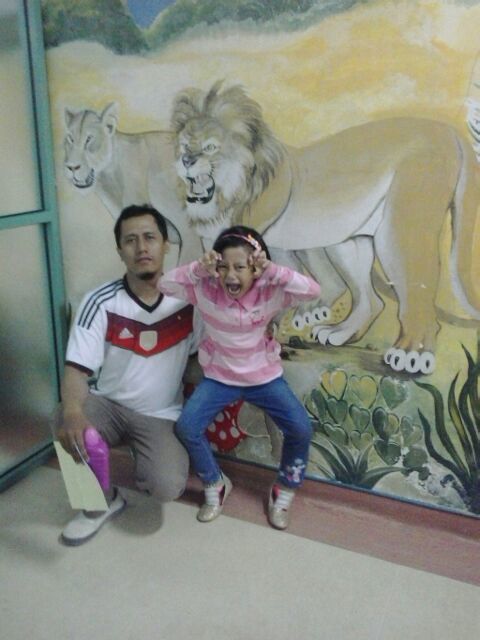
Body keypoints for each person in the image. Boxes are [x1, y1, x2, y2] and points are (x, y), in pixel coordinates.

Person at [55, 204, 201, 546]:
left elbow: (203, 359)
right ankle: (99, 504)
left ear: (166, 245)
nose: (141, 247)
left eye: (150, 237)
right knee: (63, 418)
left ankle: (144, 457)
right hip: (109, 405)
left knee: (166, 486)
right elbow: (76, 368)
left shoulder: (190, 301)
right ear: (120, 250)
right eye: (130, 240)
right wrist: (73, 411)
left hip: (160, 414)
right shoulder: (100, 301)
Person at [158, 225, 321, 530]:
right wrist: (198, 269)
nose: (230, 275)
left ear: (255, 269)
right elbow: (165, 285)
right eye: (224, 267)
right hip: (219, 378)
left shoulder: (270, 291)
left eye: (240, 267)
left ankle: (284, 490)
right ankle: (215, 483)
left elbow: (312, 291)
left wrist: (273, 271)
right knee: (187, 427)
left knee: (300, 428)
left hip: (264, 379)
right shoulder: (205, 290)